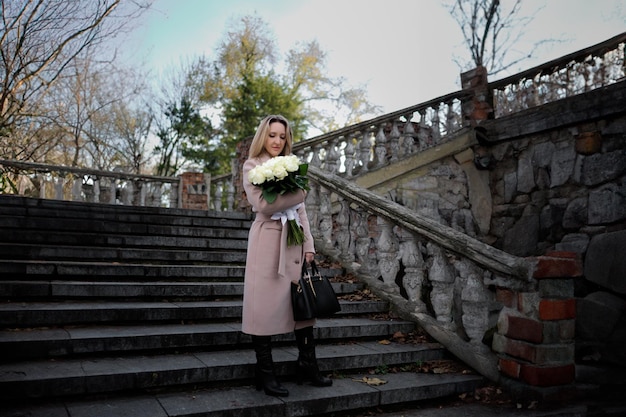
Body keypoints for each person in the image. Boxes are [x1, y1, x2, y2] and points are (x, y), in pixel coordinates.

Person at [241, 114, 332, 397]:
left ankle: (307, 364)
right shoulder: (252, 166)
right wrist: (300, 192)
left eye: (282, 136)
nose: (277, 141)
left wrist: (309, 245)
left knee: (301, 305)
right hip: (267, 241)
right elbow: (263, 205)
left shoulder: (292, 165)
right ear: (263, 137)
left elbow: (300, 212)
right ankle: (265, 373)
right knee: (263, 308)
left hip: (292, 239)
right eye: (272, 135)